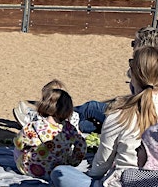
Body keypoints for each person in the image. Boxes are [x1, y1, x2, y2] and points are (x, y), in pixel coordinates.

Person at [14, 26, 158, 133]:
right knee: (90, 123)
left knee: (92, 107)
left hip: (141, 116)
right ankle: (58, 125)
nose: (132, 46)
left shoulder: (143, 69)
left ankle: (46, 118)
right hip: (142, 114)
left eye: (134, 43)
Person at [50, 46, 158, 187]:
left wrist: (93, 177)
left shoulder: (120, 115)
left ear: (134, 74)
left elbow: (101, 165)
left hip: (122, 182)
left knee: (59, 173)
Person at [13, 79, 86, 181]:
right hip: (58, 169)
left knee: (18, 148)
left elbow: (18, 143)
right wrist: (73, 162)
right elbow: (82, 145)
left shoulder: (33, 126)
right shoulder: (70, 129)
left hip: (32, 169)